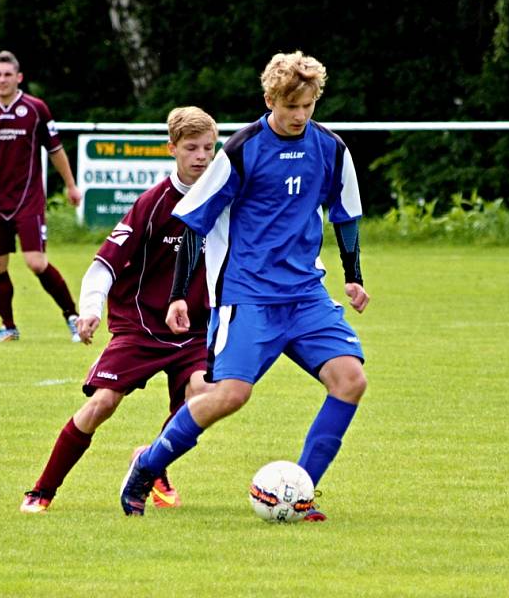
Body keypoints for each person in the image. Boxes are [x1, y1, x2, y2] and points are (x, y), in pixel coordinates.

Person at [120, 50, 370, 521]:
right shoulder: (240, 150)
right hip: (248, 296)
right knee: (230, 395)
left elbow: (347, 215)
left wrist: (353, 278)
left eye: (308, 105)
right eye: (290, 105)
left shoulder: (332, 149)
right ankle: (146, 465)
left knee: (350, 380)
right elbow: (194, 221)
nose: (299, 115)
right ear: (270, 98)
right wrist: (178, 293)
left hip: (306, 295)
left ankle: (300, 492)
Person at [20, 106, 218, 513]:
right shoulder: (153, 203)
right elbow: (105, 262)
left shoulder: (223, 199)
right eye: (192, 148)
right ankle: (42, 490)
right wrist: (90, 309)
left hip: (194, 330)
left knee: (205, 395)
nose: (201, 156)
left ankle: (151, 465)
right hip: (141, 325)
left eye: (209, 148)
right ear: (172, 149)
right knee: (103, 403)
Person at [0, 50, 82, 343]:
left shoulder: (36, 109)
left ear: (19, 78)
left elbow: (55, 150)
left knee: (36, 262)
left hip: (28, 199)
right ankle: (8, 327)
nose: (2, 80)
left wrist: (70, 185)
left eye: (8, 75)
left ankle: (72, 316)